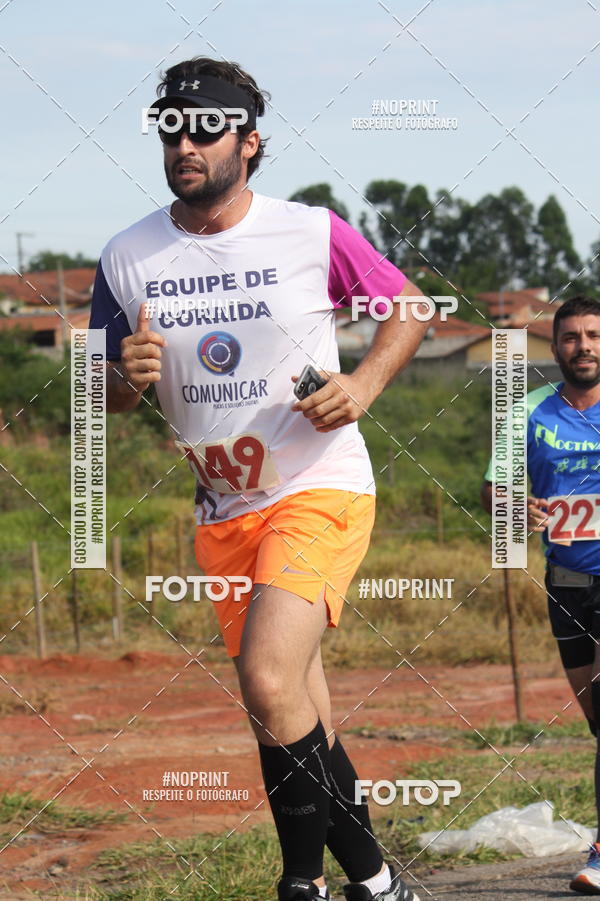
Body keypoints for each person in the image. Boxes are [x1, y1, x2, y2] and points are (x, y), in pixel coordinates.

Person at [90, 55, 429, 901]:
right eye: (171, 127)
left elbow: (411, 307)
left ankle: (299, 885)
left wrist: (362, 386)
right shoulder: (127, 255)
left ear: (249, 141)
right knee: (291, 708)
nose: (186, 143)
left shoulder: (309, 231)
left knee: (268, 679)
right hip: (225, 507)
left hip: (319, 485)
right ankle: (382, 883)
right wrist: (123, 375)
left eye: (205, 127)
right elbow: (102, 394)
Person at [480, 295, 600, 895]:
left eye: (593, 335)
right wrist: (512, 505)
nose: (584, 346)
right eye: (573, 337)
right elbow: (493, 488)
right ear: (555, 349)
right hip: (569, 581)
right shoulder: (526, 411)